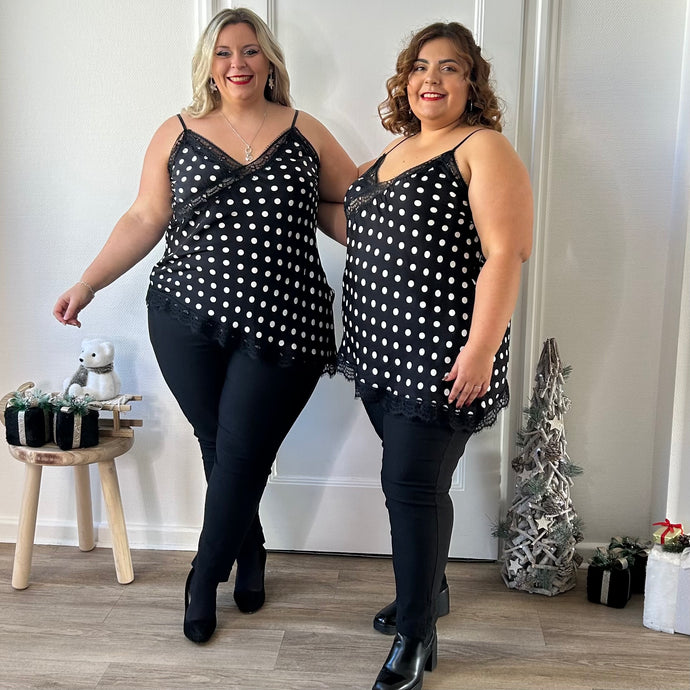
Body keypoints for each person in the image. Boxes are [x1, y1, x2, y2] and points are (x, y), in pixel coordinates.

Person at [53, 8, 356, 644]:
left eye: (249, 50)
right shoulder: (178, 131)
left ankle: (203, 575)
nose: (237, 63)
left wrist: (403, 243)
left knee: (241, 450)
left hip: (286, 323)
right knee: (220, 444)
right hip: (183, 316)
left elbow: (350, 203)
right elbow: (144, 218)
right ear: (208, 66)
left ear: (269, 61)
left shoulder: (304, 130)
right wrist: (88, 283)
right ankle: (251, 552)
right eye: (223, 52)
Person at [335, 21, 533, 690]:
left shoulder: (483, 147)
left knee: (410, 487)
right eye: (421, 66)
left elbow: (506, 253)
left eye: (450, 67)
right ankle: (431, 591)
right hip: (378, 353)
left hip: (441, 355)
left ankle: (416, 636)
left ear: (472, 83)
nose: (432, 78)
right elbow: (360, 224)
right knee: (418, 487)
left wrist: (480, 351)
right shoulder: (397, 151)